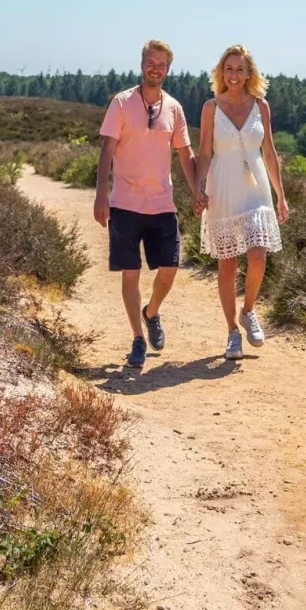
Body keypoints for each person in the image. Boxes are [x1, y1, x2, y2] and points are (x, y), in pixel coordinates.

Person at [95, 39, 198, 369]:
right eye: (151, 62)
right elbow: (106, 152)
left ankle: (151, 312)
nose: (156, 68)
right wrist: (101, 195)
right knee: (131, 274)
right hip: (125, 203)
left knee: (169, 270)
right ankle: (138, 339)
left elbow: (185, 153)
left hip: (162, 204)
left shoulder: (175, 108)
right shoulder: (121, 103)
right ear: (142, 65)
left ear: (168, 69)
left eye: (162, 64)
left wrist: (198, 190)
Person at [194, 44, 289, 361]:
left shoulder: (261, 106)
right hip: (222, 186)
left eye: (240, 69)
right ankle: (232, 333)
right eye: (229, 69)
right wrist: (198, 188)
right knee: (228, 264)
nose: (234, 75)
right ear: (221, 72)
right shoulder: (211, 108)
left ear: (250, 74)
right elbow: (205, 152)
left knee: (259, 255)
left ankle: (248, 311)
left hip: (256, 188)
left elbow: (270, 153)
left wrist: (281, 196)